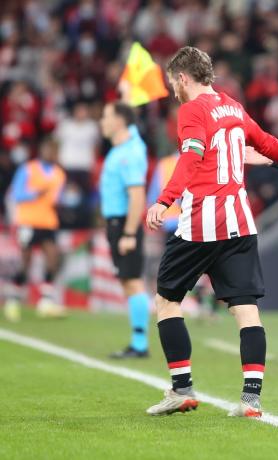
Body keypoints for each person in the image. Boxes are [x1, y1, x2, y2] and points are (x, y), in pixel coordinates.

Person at [144, 46, 278, 417]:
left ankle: (181, 389)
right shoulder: (232, 106)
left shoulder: (191, 110)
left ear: (182, 78)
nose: (173, 91)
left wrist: (165, 200)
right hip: (240, 222)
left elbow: (191, 157)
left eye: (172, 83)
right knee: (245, 309)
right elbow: (266, 142)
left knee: (167, 301)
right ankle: (251, 400)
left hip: (201, 224)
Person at [99, 102, 151, 359]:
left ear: (119, 121)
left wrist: (129, 233)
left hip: (123, 224)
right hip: (116, 223)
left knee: (132, 282)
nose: (102, 121)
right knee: (127, 281)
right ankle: (138, 341)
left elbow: (137, 194)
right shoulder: (126, 146)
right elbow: (129, 109)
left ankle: (139, 344)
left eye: (106, 116)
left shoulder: (129, 153)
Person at [3, 138, 66, 321]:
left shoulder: (59, 174)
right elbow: (16, 193)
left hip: (48, 222)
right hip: (28, 221)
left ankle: (45, 301)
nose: (50, 154)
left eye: (53, 151)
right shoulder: (28, 169)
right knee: (26, 260)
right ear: (42, 150)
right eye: (48, 149)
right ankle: (13, 300)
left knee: (52, 257)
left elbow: (57, 198)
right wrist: (35, 193)